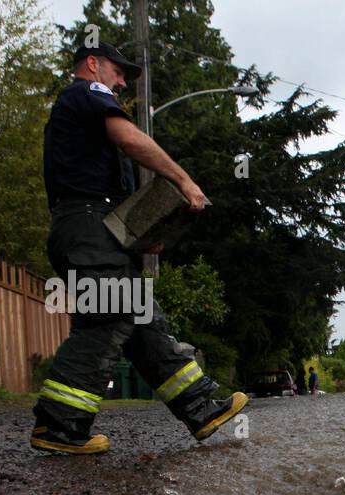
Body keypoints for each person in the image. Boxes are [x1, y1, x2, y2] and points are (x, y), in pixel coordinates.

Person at [32, 40, 247, 455]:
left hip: (95, 231)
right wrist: (183, 180)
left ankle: (200, 407)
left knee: (142, 320)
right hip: (88, 230)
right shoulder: (87, 92)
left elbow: (112, 189)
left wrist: (146, 237)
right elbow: (130, 140)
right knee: (107, 320)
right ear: (92, 64)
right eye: (118, 71)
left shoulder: (78, 115)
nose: (122, 81)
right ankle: (58, 427)